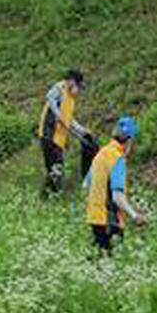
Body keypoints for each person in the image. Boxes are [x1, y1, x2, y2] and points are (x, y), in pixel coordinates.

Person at [85, 116, 145, 254]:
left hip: (94, 218)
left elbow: (86, 185)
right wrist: (134, 215)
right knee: (112, 262)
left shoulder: (101, 154)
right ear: (129, 140)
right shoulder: (117, 159)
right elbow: (117, 196)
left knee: (99, 261)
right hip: (110, 220)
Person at [38, 70, 90, 194]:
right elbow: (50, 98)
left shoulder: (71, 100)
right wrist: (58, 115)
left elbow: (69, 120)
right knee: (56, 166)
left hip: (59, 139)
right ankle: (51, 194)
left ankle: (48, 194)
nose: (78, 91)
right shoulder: (60, 88)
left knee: (56, 167)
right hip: (48, 135)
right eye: (78, 87)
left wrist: (82, 131)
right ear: (71, 82)